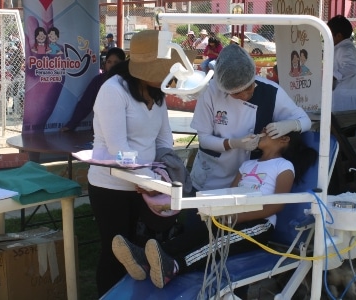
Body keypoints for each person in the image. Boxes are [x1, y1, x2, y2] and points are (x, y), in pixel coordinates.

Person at [111, 129, 318, 288]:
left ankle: (174, 267)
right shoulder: (247, 165)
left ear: (285, 139)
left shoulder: (283, 166)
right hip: (232, 218)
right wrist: (219, 212)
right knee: (197, 233)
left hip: (259, 225)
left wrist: (240, 217)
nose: (262, 132)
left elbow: (276, 204)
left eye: (269, 131)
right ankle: (145, 259)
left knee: (217, 243)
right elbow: (229, 194)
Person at [87, 30, 196, 297]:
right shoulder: (113, 91)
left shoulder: (157, 95)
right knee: (115, 250)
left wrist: (163, 172)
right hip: (110, 186)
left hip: (146, 186)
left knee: (144, 251)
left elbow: (164, 141)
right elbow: (118, 150)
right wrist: (146, 177)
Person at [188, 44, 311, 193]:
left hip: (247, 179)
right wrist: (233, 143)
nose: (245, 95)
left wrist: (291, 124)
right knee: (199, 213)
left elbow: (305, 121)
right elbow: (204, 139)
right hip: (211, 173)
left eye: (248, 88)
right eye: (236, 94)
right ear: (224, 89)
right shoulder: (211, 91)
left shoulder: (271, 92)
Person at [61, 47, 126, 131]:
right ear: (105, 63)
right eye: (109, 62)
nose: (112, 65)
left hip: (124, 128)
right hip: (101, 129)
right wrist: (71, 125)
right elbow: (85, 104)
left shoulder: (129, 82)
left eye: (116, 62)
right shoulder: (98, 80)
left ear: (123, 64)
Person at [327, 15, 356, 112]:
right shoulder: (343, 47)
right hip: (345, 95)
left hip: (344, 98)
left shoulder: (344, 49)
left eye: (329, 34)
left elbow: (351, 68)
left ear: (338, 36)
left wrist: (332, 75)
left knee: (341, 125)